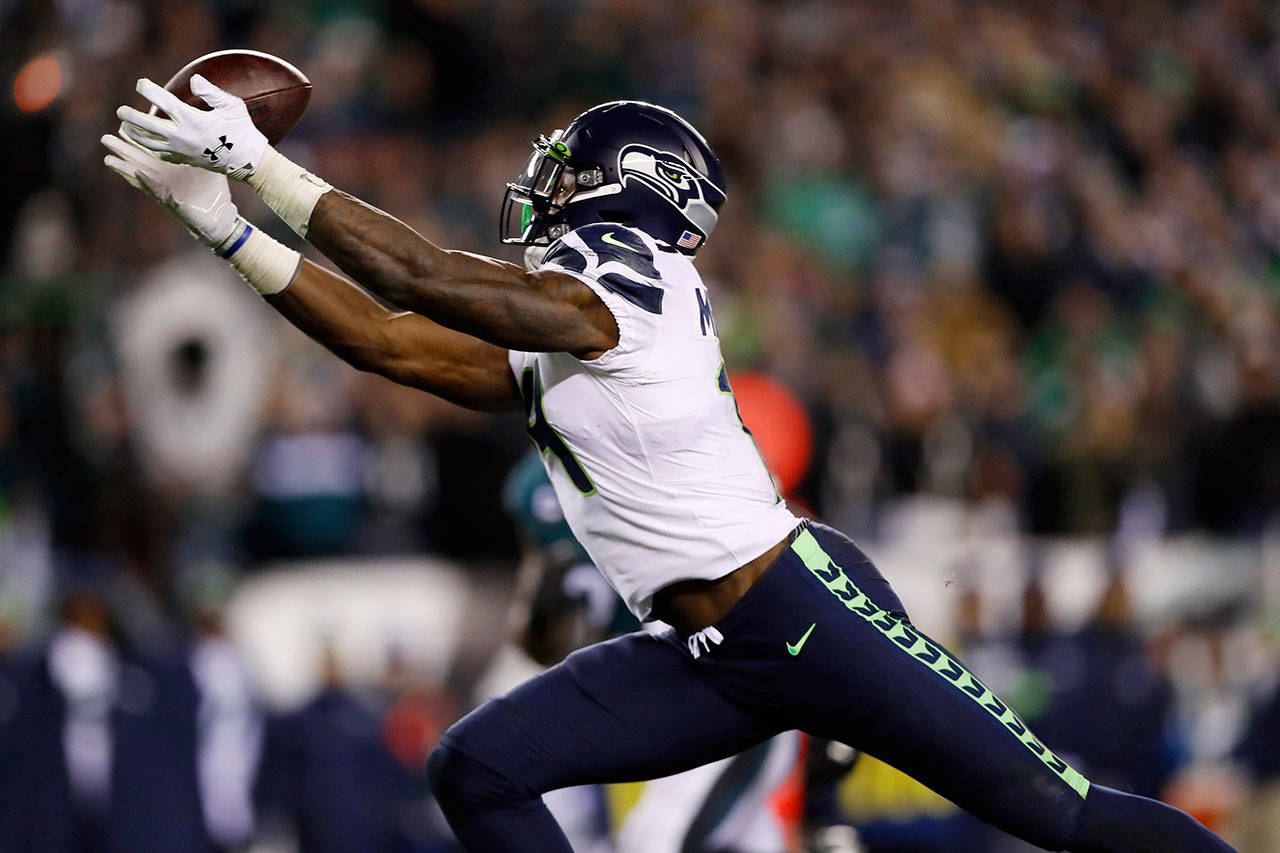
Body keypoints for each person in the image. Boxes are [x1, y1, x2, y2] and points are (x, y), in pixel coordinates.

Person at [105, 76, 1234, 852]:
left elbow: (422, 284)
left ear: (622, 184)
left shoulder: (620, 274)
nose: (540, 187)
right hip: (701, 648)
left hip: (795, 606)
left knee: (1061, 811)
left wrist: (268, 168)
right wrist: (225, 225)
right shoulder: (571, 316)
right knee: (475, 768)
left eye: (563, 170)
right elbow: (393, 341)